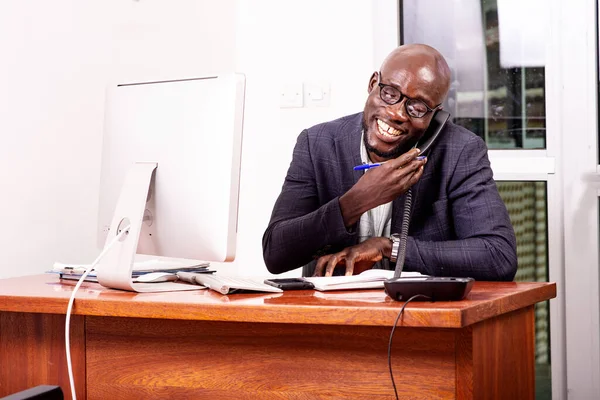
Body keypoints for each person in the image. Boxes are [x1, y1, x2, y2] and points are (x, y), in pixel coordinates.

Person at [262, 44, 517, 281]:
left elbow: (498, 255)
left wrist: (389, 248)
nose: (397, 113)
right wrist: (357, 201)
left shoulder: (459, 151)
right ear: (373, 84)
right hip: (333, 314)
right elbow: (276, 253)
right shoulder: (317, 144)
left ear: (435, 116)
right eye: (390, 93)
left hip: (418, 317)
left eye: (417, 108)